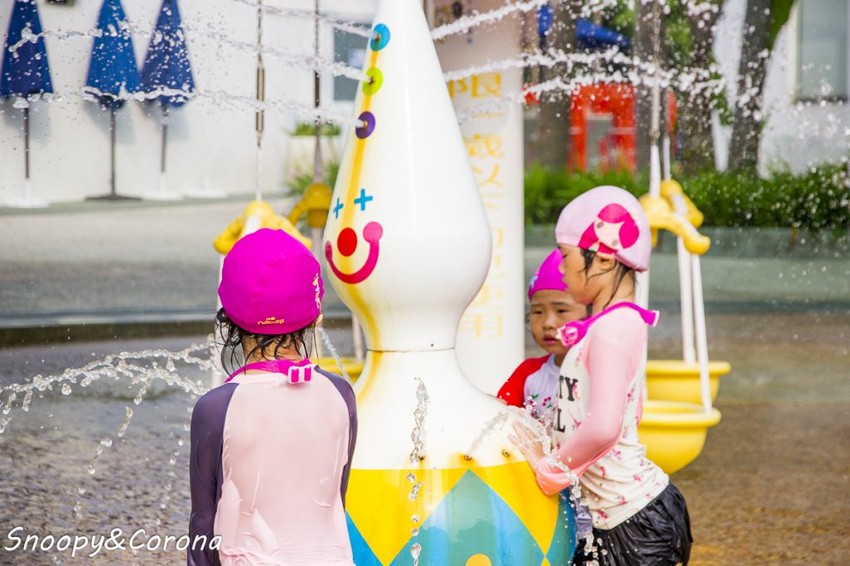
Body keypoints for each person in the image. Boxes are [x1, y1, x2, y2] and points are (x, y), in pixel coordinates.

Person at [509, 186, 692, 565]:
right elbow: (633, 409)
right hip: (625, 517)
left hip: (635, 524)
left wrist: (549, 469)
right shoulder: (618, 324)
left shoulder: (610, 332)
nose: (560, 268)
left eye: (565, 256)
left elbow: (606, 426)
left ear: (604, 259)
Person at [188, 228, 357, 566]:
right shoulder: (341, 394)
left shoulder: (217, 408)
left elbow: (203, 529)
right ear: (316, 318)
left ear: (227, 317)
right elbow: (336, 498)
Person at [497, 248, 586, 427]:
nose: (548, 323)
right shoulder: (528, 373)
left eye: (561, 310)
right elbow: (499, 420)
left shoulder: (602, 373)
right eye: (538, 312)